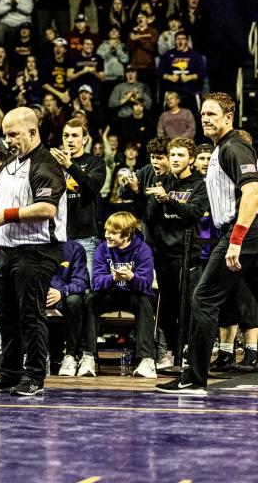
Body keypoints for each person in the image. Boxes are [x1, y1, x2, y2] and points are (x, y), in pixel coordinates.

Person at [158, 94, 258, 394]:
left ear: (229, 116)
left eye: (212, 114)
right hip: (237, 230)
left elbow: (252, 193)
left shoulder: (235, 147)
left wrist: (236, 240)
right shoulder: (219, 150)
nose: (205, 119)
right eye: (203, 114)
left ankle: (194, 379)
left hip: (243, 231)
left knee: (204, 299)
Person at [0, 107, 67, 396]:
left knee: (31, 314)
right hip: (8, 250)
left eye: (13, 134)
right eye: (5, 135)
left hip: (38, 250)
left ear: (32, 131)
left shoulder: (46, 165)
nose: (8, 141)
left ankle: (35, 376)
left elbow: (46, 208)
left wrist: (9, 216)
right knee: (6, 314)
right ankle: (9, 372)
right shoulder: (5, 167)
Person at [144, 137, 208, 368]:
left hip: (189, 255)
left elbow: (193, 213)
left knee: (191, 305)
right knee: (168, 307)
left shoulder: (200, 184)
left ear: (191, 159)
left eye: (181, 155)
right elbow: (149, 218)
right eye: (172, 155)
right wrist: (157, 200)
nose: (175, 159)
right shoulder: (161, 181)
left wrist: (168, 199)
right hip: (163, 254)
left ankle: (191, 352)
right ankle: (171, 351)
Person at [83, 212, 158, 379]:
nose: (107, 236)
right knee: (91, 299)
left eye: (113, 233)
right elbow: (96, 282)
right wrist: (113, 278)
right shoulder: (102, 248)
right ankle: (88, 356)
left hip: (133, 295)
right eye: (107, 231)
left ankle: (146, 360)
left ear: (127, 234)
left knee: (144, 301)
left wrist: (131, 277)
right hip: (110, 294)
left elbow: (146, 284)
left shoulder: (142, 249)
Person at [50, 118, 106, 278]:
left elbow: (93, 186)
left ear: (85, 139)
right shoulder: (53, 164)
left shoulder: (95, 162)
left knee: (87, 286)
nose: (69, 140)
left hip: (85, 237)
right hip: (58, 237)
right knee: (57, 286)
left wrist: (69, 166)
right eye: (66, 135)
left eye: (75, 135)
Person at [52, 240, 90, 377]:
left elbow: (81, 282)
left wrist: (61, 292)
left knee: (75, 301)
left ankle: (70, 356)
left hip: (63, 296)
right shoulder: (32, 245)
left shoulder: (75, 249)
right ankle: (26, 356)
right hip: (38, 293)